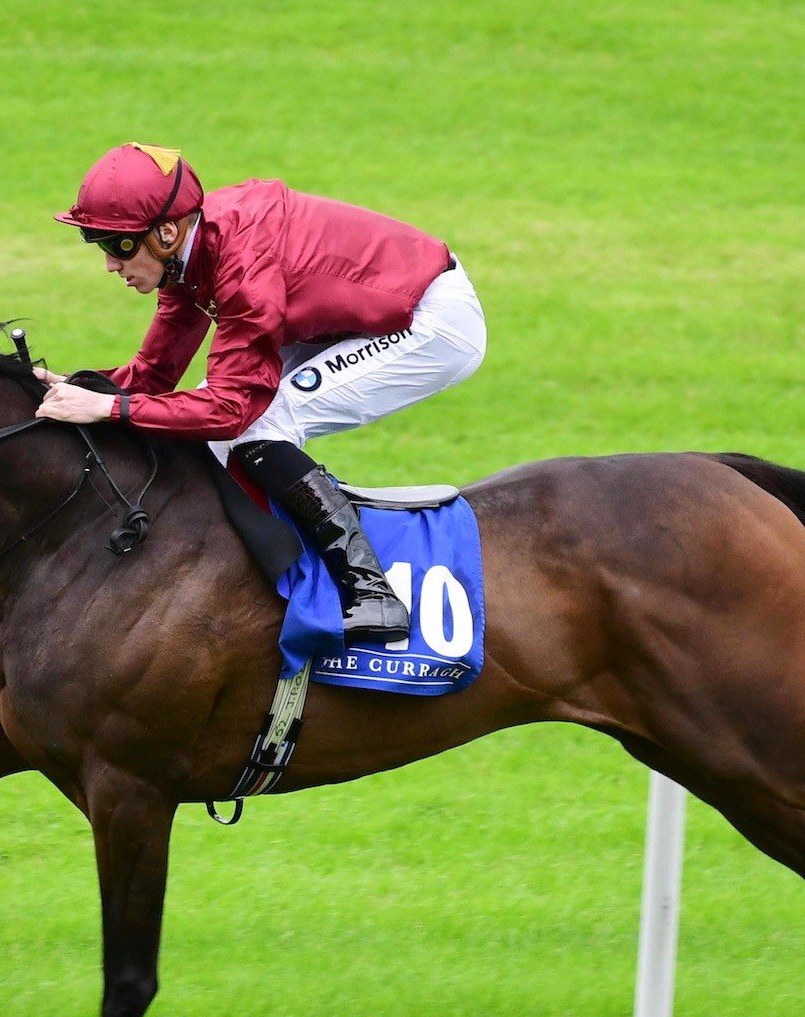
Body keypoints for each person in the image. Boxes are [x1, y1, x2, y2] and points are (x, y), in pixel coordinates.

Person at [35, 143, 486, 646]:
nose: (110, 266)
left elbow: (231, 410)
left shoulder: (241, 265)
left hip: (430, 323)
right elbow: (155, 374)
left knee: (258, 426)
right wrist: (77, 388)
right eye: (97, 243)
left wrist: (111, 408)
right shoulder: (188, 252)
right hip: (342, 319)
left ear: (165, 232)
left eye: (118, 246)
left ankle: (371, 593)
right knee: (212, 430)